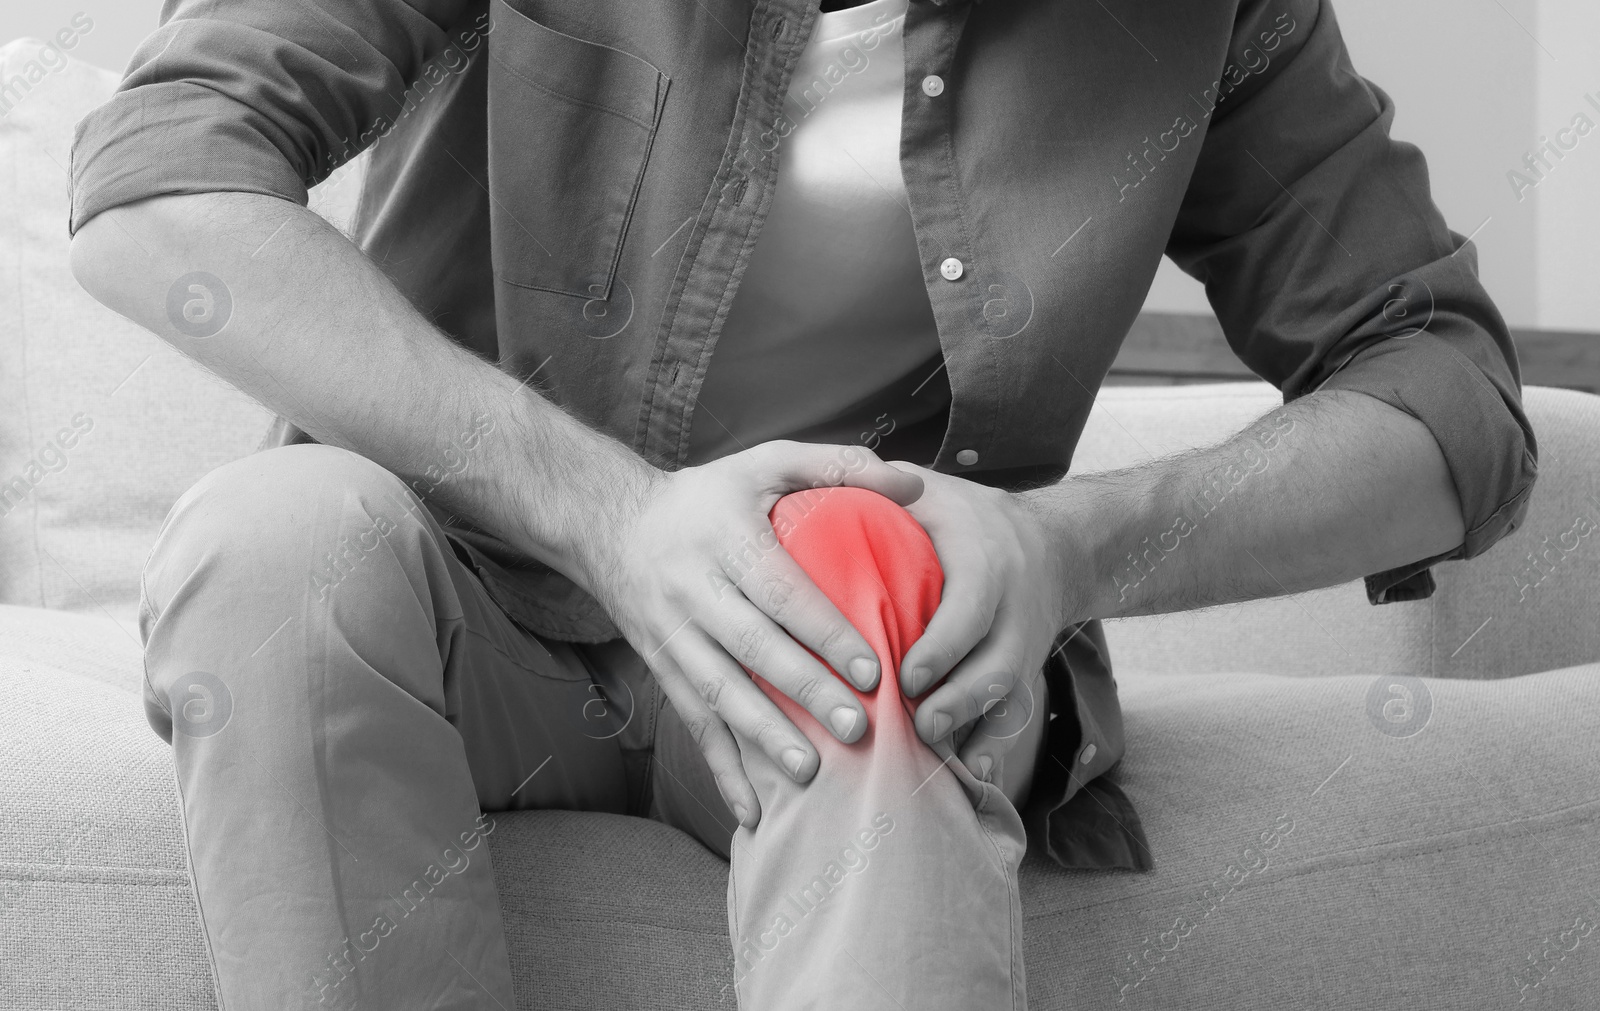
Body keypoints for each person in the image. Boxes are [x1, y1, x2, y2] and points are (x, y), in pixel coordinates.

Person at [67, 0, 1535, 1006]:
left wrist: (1067, 547)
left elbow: (1448, 395)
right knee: (273, 544)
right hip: (467, 615)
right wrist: (619, 519)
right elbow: (158, 191)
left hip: (849, 634)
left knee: (863, 577)